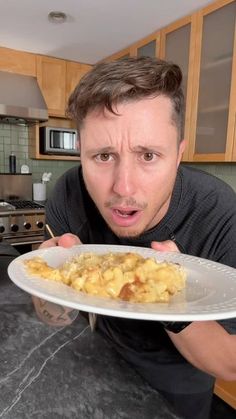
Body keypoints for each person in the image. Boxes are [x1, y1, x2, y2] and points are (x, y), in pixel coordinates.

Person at [32, 57, 236, 419]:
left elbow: (231, 364)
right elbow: (53, 317)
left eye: (148, 155)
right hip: (101, 358)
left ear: (178, 155)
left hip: (182, 385)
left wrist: (169, 297)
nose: (123, 187)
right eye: (104, 155)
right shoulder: (67, 194)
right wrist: (52, 284)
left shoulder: (222, 214)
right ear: (81, 152)